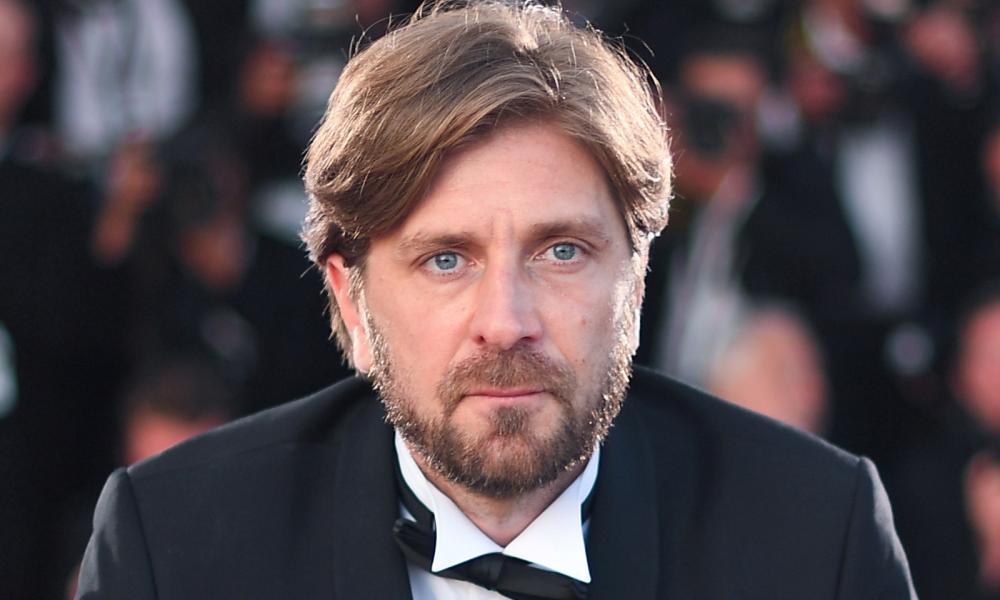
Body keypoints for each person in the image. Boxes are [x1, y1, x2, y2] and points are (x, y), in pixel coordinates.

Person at [76, 2, 917, 598]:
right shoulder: (176, 546)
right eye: (446, 259)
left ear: (636, 280)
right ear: (352, 303)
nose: (506, 322)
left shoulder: (817, 535)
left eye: (561, 252)